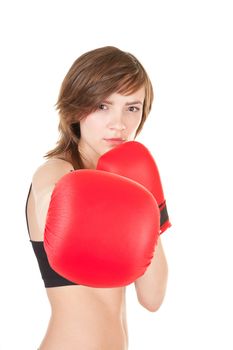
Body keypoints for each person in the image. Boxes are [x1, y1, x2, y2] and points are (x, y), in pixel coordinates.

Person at [25, 46, 171, 350]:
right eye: (103, 106)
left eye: (132, 108)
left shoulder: (127, 185)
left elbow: (152, 298)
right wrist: (53, 198)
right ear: (77, 107)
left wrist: (148, 198)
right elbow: (47, 196)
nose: (119, 123)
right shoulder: (57, 170)